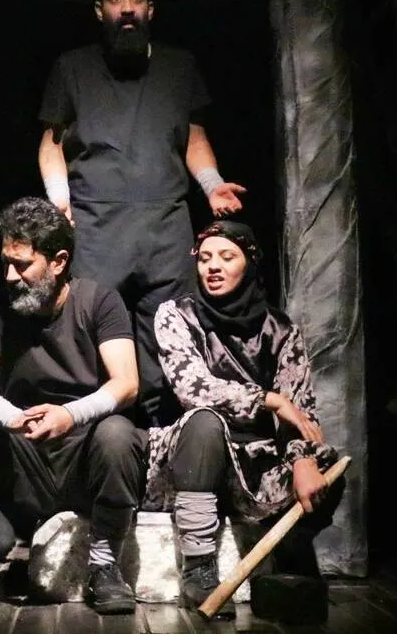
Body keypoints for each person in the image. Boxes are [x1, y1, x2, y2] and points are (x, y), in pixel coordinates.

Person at [38, 0, 247, 430]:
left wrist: (212, 185)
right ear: (100, 10)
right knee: (96, 350)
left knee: (168, 356)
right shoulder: (72, 68)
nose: (127, 8)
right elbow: (52, 142)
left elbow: (193, 137)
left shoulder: (179, 66)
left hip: (165, 229)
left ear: (150, 9)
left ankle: (163, 453)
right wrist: (58, 199)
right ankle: (100, 453)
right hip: (96, 229)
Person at [0, 196, 146, 615]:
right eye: (6, 262)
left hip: (81, 453)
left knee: (119, 434)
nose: (10, 275)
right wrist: (12, 418)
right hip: (22, 454)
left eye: (22, 264)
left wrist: (69, 415)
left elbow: (127, 383)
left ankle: (104, 568)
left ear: (58, 261)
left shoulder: (100, 302)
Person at [141, 220, 342, 613]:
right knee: (204, 423)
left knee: (327, 466)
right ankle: (199, 568)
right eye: (205, 258)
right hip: (192, 454)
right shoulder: (176, 315)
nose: (213, 266)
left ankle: (288, 570)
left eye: (226, 257)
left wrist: (302, 460)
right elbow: (193, 388)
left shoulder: (281, 329)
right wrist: (268, 400)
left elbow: (299, 407)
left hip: (256, 461)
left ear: (248, 263)